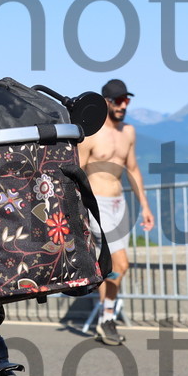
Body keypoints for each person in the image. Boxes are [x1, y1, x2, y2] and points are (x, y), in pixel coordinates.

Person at [77, 78, 154, 346]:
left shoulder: (128, 132)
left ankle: (105, 317)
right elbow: (76, 172)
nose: (123, 105)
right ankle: (106, 318)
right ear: (106, 102)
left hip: (119, 204)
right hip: (97, 205)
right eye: (119, 100)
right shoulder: (91, 134)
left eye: (126, 100)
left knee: (111, 267)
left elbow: (132, 168)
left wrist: (145, 205)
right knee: (121, 264)